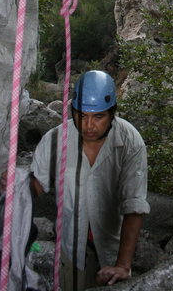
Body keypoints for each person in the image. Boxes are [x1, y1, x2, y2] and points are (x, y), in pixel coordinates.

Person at [30, 69, 150, 289]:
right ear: (73, 110)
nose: (88, 126)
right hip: (70, 248)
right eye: (82, 115)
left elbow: (134, 204)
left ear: (112, 113)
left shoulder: (130, 141)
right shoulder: (56, 140)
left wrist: (123, 265)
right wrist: (16, 184)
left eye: (98, 116)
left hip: (111, 246)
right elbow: (36, 185)